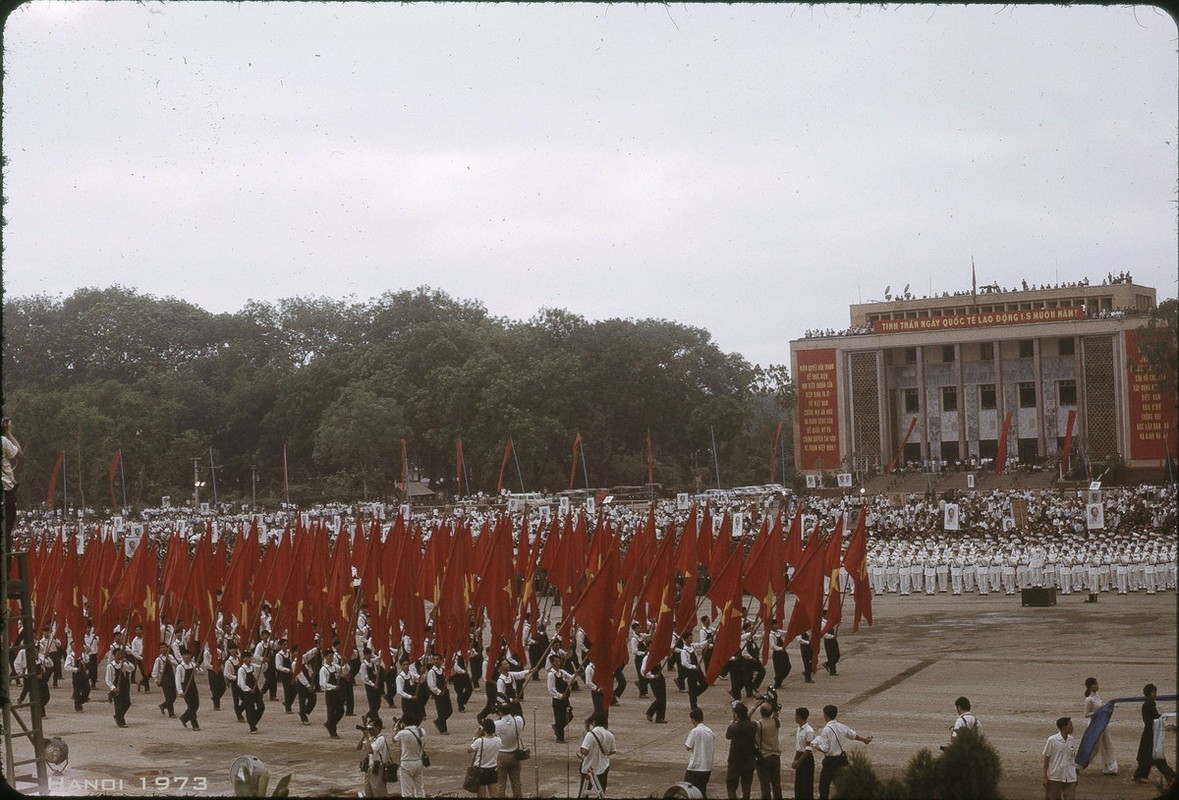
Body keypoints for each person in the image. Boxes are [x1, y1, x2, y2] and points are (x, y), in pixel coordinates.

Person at [809, 704, 872, 800]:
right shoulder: (842, 726)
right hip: (842, 760)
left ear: (826, 715)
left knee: (824, 784)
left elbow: (825, 749)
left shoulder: (826, 730)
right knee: (840, 784)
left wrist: (815, 746)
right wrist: (864, 740)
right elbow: (853, 735)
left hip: (830, 761)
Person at [1133, 683, 1177, 786]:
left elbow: (1156, 717)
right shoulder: (1147, 705)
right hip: (1150, 735)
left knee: (1151, 757)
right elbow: (1150, 721)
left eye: (1155, 692)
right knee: (1156, 757)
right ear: (1149, 693)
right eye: (1153, 692)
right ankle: (1171, 777)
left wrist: (1163, 717)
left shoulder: (1150, 704)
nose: (1155, 694)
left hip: (1152, 734)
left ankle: (1140, 776)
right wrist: (1162, 718)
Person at [1081, 677, 1117, 775]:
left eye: (1097, 683)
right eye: (1095, 684)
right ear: (1090, 686)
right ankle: (1078, 765)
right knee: (1093, 747)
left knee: (1108, 744)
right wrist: (1097, 712)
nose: (1097, 686)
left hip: (1102, 724)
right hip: (1094, 725)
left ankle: (1111, 768)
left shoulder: (1098, 696)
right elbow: (1086, 714)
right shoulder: (1089, 699)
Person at [725, 701, 759, 800]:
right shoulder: (753, 725)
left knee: (731, 786)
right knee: (746, 787)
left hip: (735, 761)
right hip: (749, 759)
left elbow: (728, 736)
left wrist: (732, 722)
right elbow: (747, 721)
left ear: (736, 714)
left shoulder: (733, 727)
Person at [578, 712, 616, 797]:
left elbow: (585, 751)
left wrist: (581, 750)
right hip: (604, 766)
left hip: (589, 768)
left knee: (584, 792)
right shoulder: (610, 734)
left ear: (594, 722)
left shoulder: (590, 734)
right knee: (601, 791)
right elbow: (612, 751)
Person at [493, 701, 527, 798]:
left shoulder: (496, 724)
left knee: (501, 784)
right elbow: (520, 716)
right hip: (515, 754)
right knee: (516, 782)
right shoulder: (518, 720)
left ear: (499, 712)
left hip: (502, 754)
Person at [1042, 716, 1078, 800]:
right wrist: (1045, 777)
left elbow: (1072, 759)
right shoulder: (1052, 740)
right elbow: (1046, 759)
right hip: (1055, 776)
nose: (1072, 727)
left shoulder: (1071, 740)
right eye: (1070, 725)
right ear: (1063, 727)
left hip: (1070, 777)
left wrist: (1075, 776)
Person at [684, 707, 716, 799]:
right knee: (702, 791)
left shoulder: (695, 731)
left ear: (693, 719)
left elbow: (688, 746)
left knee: (689, 791)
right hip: (707, 767)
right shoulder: (710, 731)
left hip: (695, 767)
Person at [357, 714, 391, 799]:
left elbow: (370, 750)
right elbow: (358, 747)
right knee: (368, 793)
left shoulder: (381, 739)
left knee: (379, 793)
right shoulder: (372, 738)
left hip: (377, 769)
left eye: (371, 728)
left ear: (378, 728)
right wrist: (363, 736)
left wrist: (367, 737)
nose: (370, 730)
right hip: (369, 769)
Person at [1, 417, 22, 553]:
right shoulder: (3, 441)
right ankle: (5, 571)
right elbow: (19, 454)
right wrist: (8, 432)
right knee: (5, 533)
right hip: (5, 492)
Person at [395, 712, 428, 798]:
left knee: (407, 792)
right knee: (420, 789)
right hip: (418, 761)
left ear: (404, 722)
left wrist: (396, 728)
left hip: (407, 762)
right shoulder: (422, 731)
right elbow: (423, 745)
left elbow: (394, 739)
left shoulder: (403, 733)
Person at [755, 700, 783, 800]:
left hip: (764, 756)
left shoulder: (758, 724)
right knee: (776, 783)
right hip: (775, 755)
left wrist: (754, 707)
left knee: (765, 784)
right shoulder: (776, 721)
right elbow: (776, 715)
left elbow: (745, 720)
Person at [546, 653, 575, 743]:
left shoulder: (562, 672)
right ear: (552, 663)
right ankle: (560, 738)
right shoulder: (551, 675)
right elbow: (551, 689)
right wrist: (559, 696)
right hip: (558, 701)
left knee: (569, 716)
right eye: (556, 661)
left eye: (559, 661)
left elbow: (570, 679)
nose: (558, 663)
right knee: (559, 718)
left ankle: (557, 728)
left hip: (565, 699)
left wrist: (575, 674)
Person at [470, 717, 502, 799]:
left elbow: (469, 750)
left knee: (481, 796)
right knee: (494, 795)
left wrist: (475, 737)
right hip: (492, 769)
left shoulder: (479, 741)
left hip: (480, 770)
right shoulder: (498, 740)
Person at [105, 646, 135, 727]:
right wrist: (113, 689)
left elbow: (132, 668)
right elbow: (108, 680)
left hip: (125, 686)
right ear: (114, 655)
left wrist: (127, 662)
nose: (120, 656)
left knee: (127, 703)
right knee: (118, 705)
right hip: (116, 687)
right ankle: (121, 722)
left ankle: (118, 716)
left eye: (121, 654)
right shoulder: (110, 666)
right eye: (118, 654)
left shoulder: (124, 663)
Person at [237, 650, 265, 733]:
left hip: (255, 689)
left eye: (249, 658)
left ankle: (253, 721)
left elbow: (262, 668)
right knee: (250, 709)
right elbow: (241, 683)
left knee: (261, 707)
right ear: (243, 659)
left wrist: (264, 662)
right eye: (246, 658)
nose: (248, 659)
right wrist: (249, 690)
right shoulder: (241, 670)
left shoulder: (253, 666)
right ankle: (252, 727)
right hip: (247, 692)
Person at [791, 707, 816, 800]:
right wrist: (795, 760)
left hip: (806, 759)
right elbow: (798, 747)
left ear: (800, 717)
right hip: (800, 756)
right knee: (798, 784)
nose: (795, 717)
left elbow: (808, 749)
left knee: (806, 785)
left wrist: (799, 761)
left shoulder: (809, 731)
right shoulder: (799, 729)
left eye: (796, 715)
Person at [175, 648, 202, 731]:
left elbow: (200, 672)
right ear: (183, 656)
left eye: (188, 655)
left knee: (196, 705)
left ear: (190, 656)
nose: (186, 657)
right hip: (185, 686)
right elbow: (178, 680)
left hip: (193, 686)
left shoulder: (192, 665)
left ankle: (184, 717)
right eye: (185, 655)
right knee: (191, 706)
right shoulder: (180, 667)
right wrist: (180, 691)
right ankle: (195, 724)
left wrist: (198, 667)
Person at [152, 641, 178, 718]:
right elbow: (155, 670)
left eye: (164, 647)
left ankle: (163, 705)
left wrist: (170, 661)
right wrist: (156, 680)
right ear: (159, 650)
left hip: (171, 677)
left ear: (167, 648)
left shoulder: (170, 656)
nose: (163, 649)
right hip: (164, 678)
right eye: (161, 648)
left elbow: (176, 664)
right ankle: (171, 713)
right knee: (168, 696)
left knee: (174, 695)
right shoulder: (158, 659)